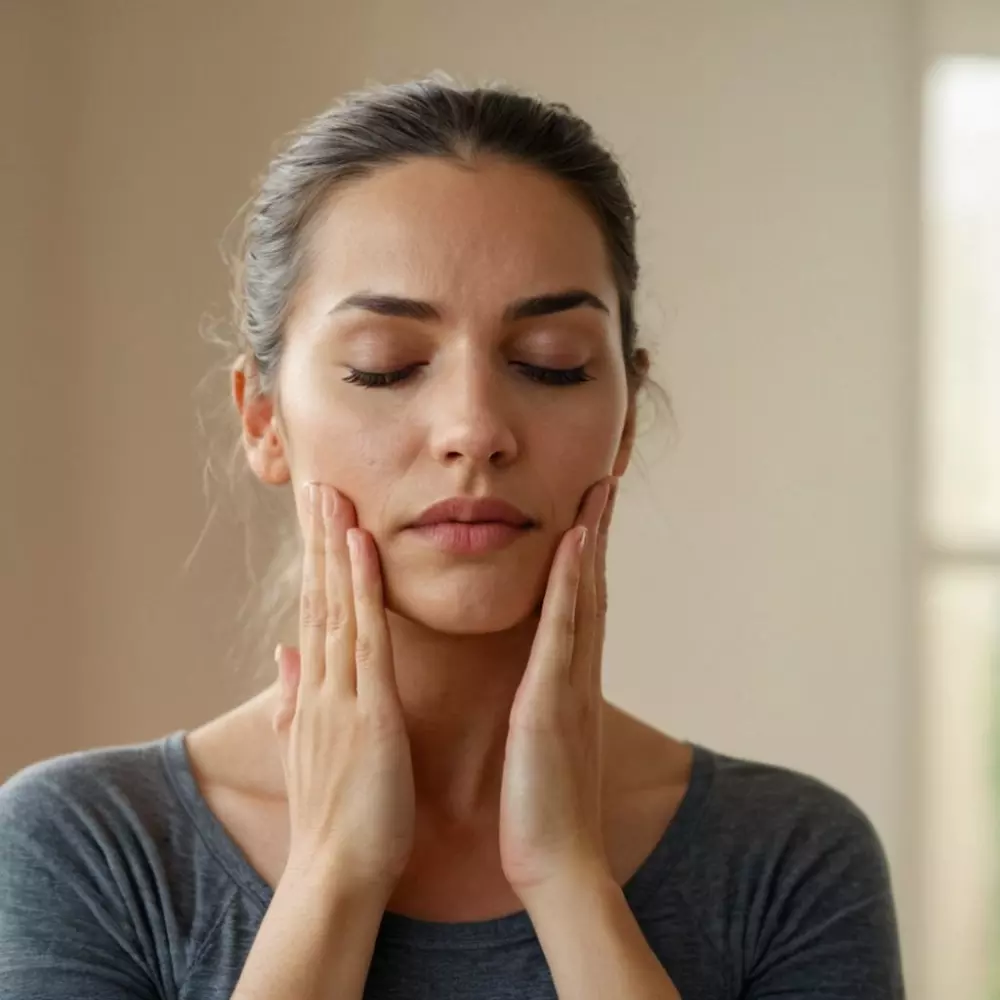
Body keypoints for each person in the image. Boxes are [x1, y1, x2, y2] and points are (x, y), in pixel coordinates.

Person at [0, 76, 905, 999]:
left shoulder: (790, 858)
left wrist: (566, 877)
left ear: (626, 418)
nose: (474, 428)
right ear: (264, 420)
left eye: (550, 366)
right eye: (384, 368)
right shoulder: (84, 846)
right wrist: (334, 878)